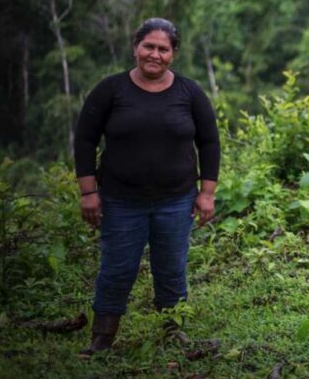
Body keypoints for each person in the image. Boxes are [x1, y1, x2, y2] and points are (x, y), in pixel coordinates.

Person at [73, 18, 220, 355]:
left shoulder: (190, 92)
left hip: (176, 200)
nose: (155, 54)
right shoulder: (111, 90)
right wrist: (88, 192)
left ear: (173, 54)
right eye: (148, 46)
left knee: (171, 269)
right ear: (135, 48)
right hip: (121, 201)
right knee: (117, 268)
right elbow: (85, 140)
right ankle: (102, 339)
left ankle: (172, 334)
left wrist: (207, 193)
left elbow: (209, 143)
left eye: (163, 49)